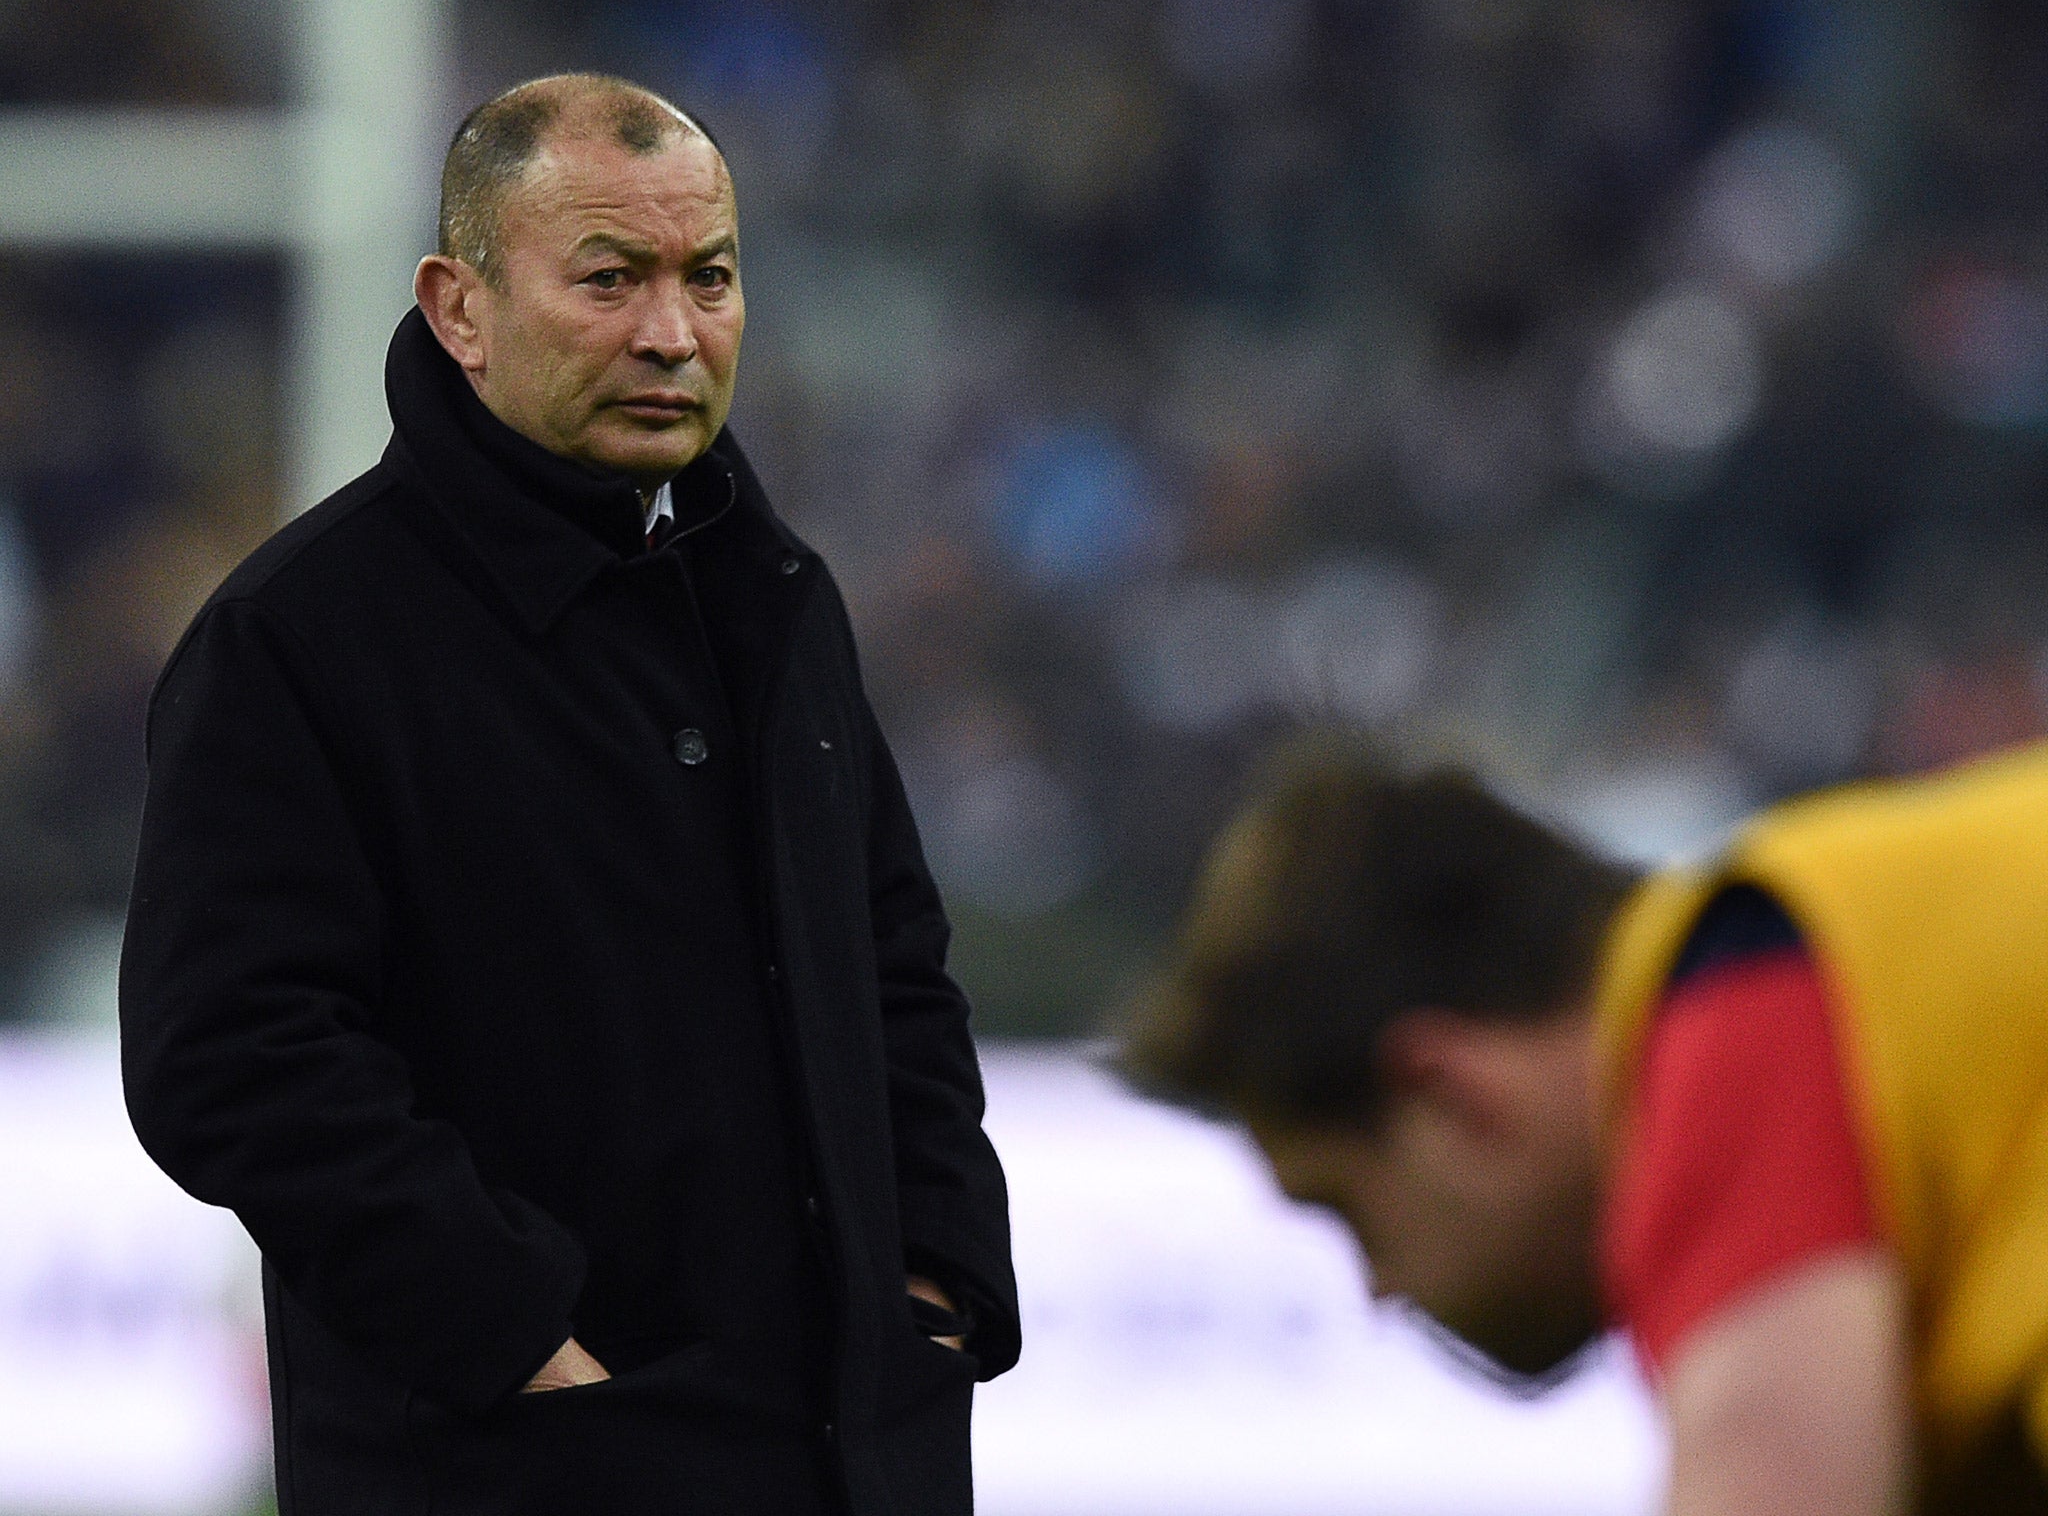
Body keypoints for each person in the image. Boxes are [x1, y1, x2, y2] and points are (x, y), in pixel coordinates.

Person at [119, 73, 1017, 1516]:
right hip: (516, 1466)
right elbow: (227, 1057)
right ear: (457, 306)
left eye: (707, 277)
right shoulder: (301, 638)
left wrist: (937, 1275)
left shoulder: (781, 603)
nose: (670, 331)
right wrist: (522, 1339)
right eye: (608, 278)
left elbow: (896, 971)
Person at [1118, 734, 2048, 1514]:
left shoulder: (1733, 1009)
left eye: (1349, 1209)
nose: (1377, 1288)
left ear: (1449, 1093)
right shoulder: (1877, 965)